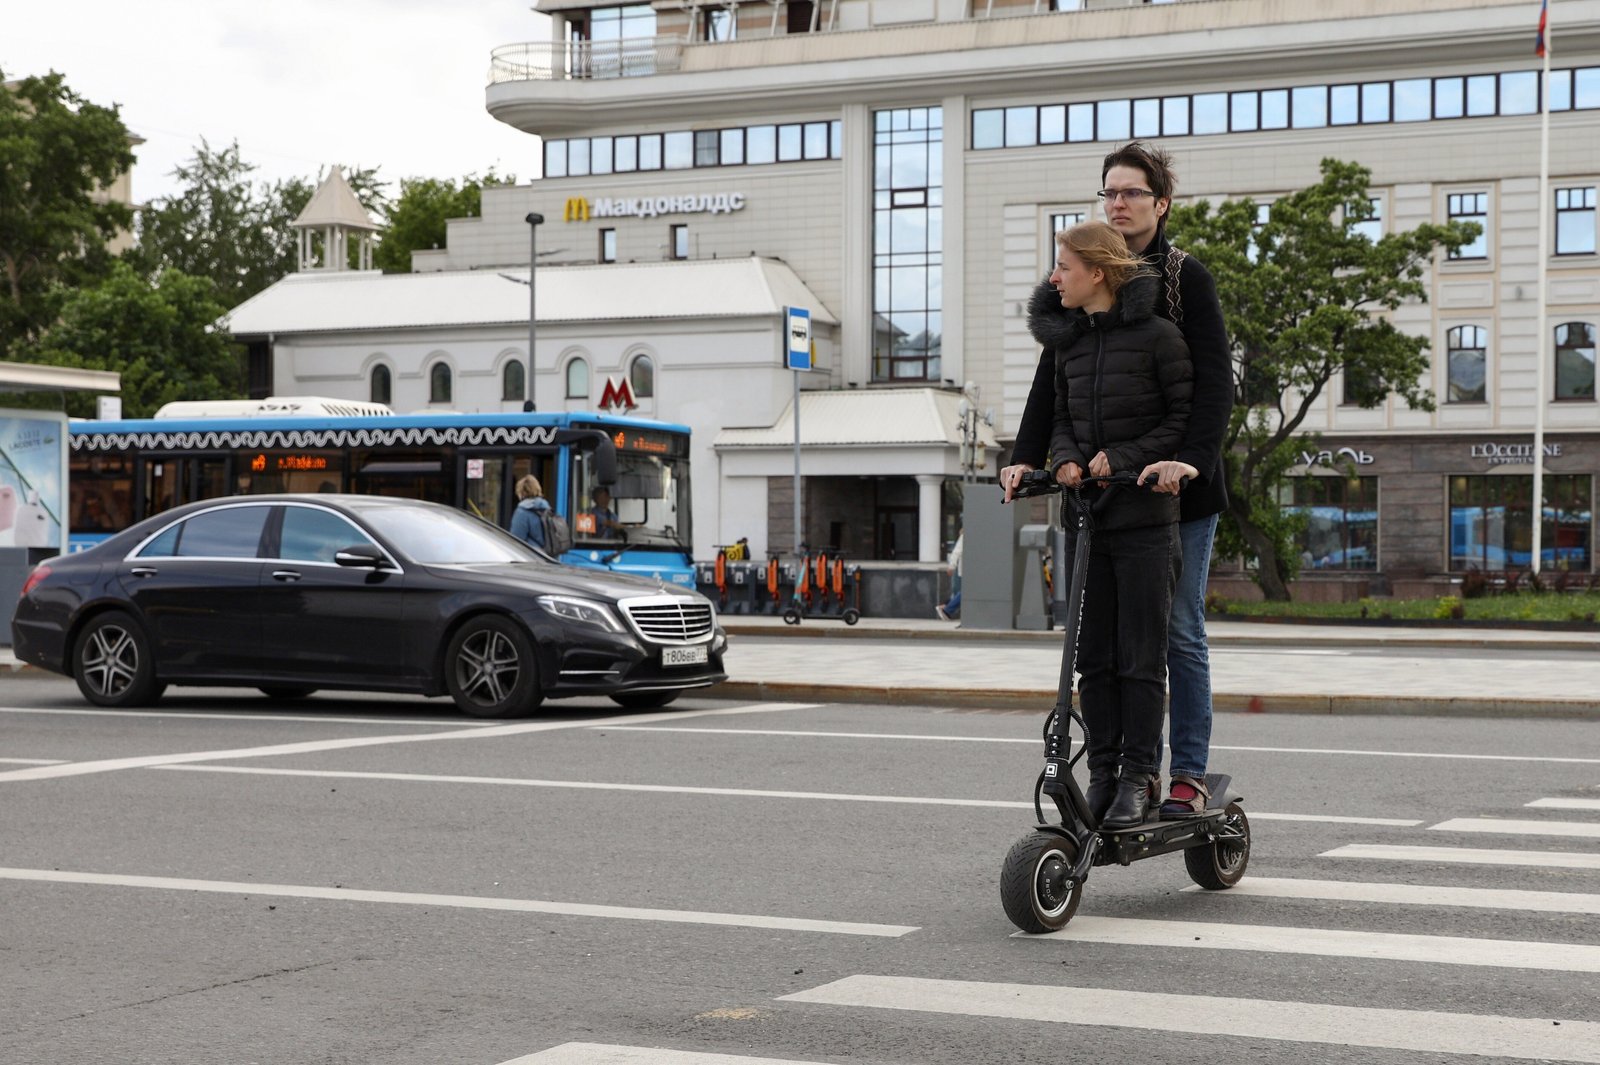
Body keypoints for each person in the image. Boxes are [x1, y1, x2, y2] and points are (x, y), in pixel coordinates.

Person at [1002, 142, 1231, 821]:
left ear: (1161, 203)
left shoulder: (1184, 277)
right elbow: (1055, 385)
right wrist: (1027, 453)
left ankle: (1184, 769)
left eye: (1132, 193)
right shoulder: (1082, 280)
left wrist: (1186, 458)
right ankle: (1121, 771)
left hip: (1177, 483)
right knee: (1101, 645)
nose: (1118, 203)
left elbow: (1212, 383)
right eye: (1109, 193)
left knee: (1176, 630)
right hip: (1105, 495)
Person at [1040, 220, 1194, 828]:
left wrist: (1126, 458)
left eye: (1064, 268)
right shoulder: (1068, 345)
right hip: (1087, 522)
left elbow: (1181, 422)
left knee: (1139, 656)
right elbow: (1058, 418)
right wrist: (1065, 460)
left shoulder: (1160, 338)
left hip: (1145, 523)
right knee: (1093, 660)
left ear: (1097, 273)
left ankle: (1138, 776)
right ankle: (1102, 773)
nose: (1054, 278)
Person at [509, 474, 551, 549]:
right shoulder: (546, 508)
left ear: (521, 492)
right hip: (548, 556)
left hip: (531, 556)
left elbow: (516, 540)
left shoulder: (522, 512)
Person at [937, 530, 963, 621]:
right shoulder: (966, 536)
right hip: (968, 570)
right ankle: (947, 610)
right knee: (967, 592)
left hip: (971, 570)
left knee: (962, 591)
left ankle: (945, 606)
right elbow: (957, 551)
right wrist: (952, 566)